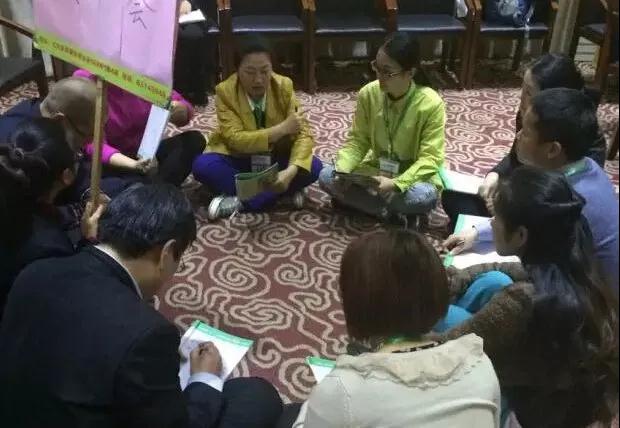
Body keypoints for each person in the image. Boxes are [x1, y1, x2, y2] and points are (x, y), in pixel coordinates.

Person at [0, 183, 283, 427]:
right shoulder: (147, 333)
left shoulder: (36, 271)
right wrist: (204, 378)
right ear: (167, 252)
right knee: (257, 396)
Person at [434, 167, 619, 428]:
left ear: (521, 235)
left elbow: (448, 347)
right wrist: (455, 278)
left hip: (521, 413)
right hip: (555, 401)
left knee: (444, 317)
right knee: (493, 280)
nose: (492, 224)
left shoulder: (522, 303)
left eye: (496, 218)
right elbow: (505, 269)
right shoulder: (575, 270)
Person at [277, 230, 501, 428]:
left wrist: (312, 404)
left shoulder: (342, 389)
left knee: (284, 412)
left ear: (356, 302)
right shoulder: (480, 364)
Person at [445, 88, 619, 293]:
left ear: (553, 149)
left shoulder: (566, 198)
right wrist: (476, 233)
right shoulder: (586, 165)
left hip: (591, 300)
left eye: (526, 132)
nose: (518, 135)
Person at [442, 53, 606, 229]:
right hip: (525, 195)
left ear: (552, 99)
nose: (520, 97)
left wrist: (509, 206)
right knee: (453, 198)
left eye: (528, 92)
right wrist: (494, 175)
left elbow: (556, 204)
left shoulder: (585, 144)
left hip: (548, 214)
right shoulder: (531, 114)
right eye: (522, 88)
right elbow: (516, 156)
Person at [318, 32, 445, 226]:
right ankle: (390, 213)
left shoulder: (431, 103)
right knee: (327, 176)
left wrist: (396, 184)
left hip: (412, 178)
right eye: (377, 67)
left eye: (388, 72)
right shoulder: (368, 93)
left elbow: (431, 158)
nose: (379, 76)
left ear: (410, 73)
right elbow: (358, 141)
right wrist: (343, 169)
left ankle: (366, 205)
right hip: (377, 172)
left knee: (423, 197)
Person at [191, 35, 323, 220]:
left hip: (275, 158)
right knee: (202, 166)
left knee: (314, 167)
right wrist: (282, 129)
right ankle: (278, 195)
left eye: (265, 71)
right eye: (250, 72)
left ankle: (239, 201)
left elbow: (303, 135)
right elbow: (235, 139)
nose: (258, 79)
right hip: (239, 158)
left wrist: (290, 172)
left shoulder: (284, 86)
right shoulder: (225, 91)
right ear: (237, 70)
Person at [0, 118, 104, 317]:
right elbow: (74, 288)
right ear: (67, 176)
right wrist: (88, 240)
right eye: (76, 153)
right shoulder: (50, 245)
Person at [0, 76, 135, 202]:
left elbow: (78, 169)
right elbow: (32, 210)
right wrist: (80, 208)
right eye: (89, 134)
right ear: (60, 120)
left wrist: (89, 192)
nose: (96, 140)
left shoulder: (50, 119)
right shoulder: (21, 147)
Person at [73, 69, 207, 188]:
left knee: (194, 141)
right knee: (93, 178)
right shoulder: (87, 80)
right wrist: (132, 165)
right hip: (111, 162)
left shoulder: (143, 76)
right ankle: (151, 192)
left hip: (144, 153)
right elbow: (91, 145)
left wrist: (180, 109)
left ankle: (151, 193)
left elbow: (184, 108)